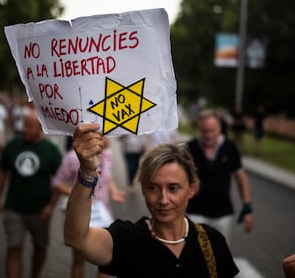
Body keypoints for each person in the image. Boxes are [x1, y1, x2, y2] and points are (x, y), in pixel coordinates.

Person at [64, 123, 239, 277]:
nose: (163, 200)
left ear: (191, 189)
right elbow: (77, 239)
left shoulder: (213, 241)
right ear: (143, 190)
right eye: (153, 188)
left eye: (173, 188)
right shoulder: (126, 240)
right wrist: (87, 171)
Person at [0, 111, 62, 278]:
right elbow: (2, 173)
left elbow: (60, 181)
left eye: (29, 126)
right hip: (14, 208)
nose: (24, 129)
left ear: (40, 128)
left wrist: (51, 206)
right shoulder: (13, 146)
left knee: (40, 249)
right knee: (14, 248)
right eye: (23, 124)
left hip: (40, 211)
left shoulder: (50, 150)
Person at [53, 135, 126, 278]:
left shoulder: (107, 155)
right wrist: (80, 195)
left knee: (107, 265)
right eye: (104, 136)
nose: (108, 140)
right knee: (79, 260)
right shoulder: (72, 158)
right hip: (81, 218)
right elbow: (57, 183)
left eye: (108, 136)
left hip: (103, 216)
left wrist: (114, 191)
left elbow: (108, 177)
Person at [186, 108, 254, 243]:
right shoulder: (189, 148)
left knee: (221, 254)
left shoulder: (230, 148)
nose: (209, 135)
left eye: (212, 130)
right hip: (195, 212)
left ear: (220, 128)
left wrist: (247, 207)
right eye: (205, 131)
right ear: (199, 128)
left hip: (222, 213)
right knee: (195, 254)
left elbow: (241, 177)